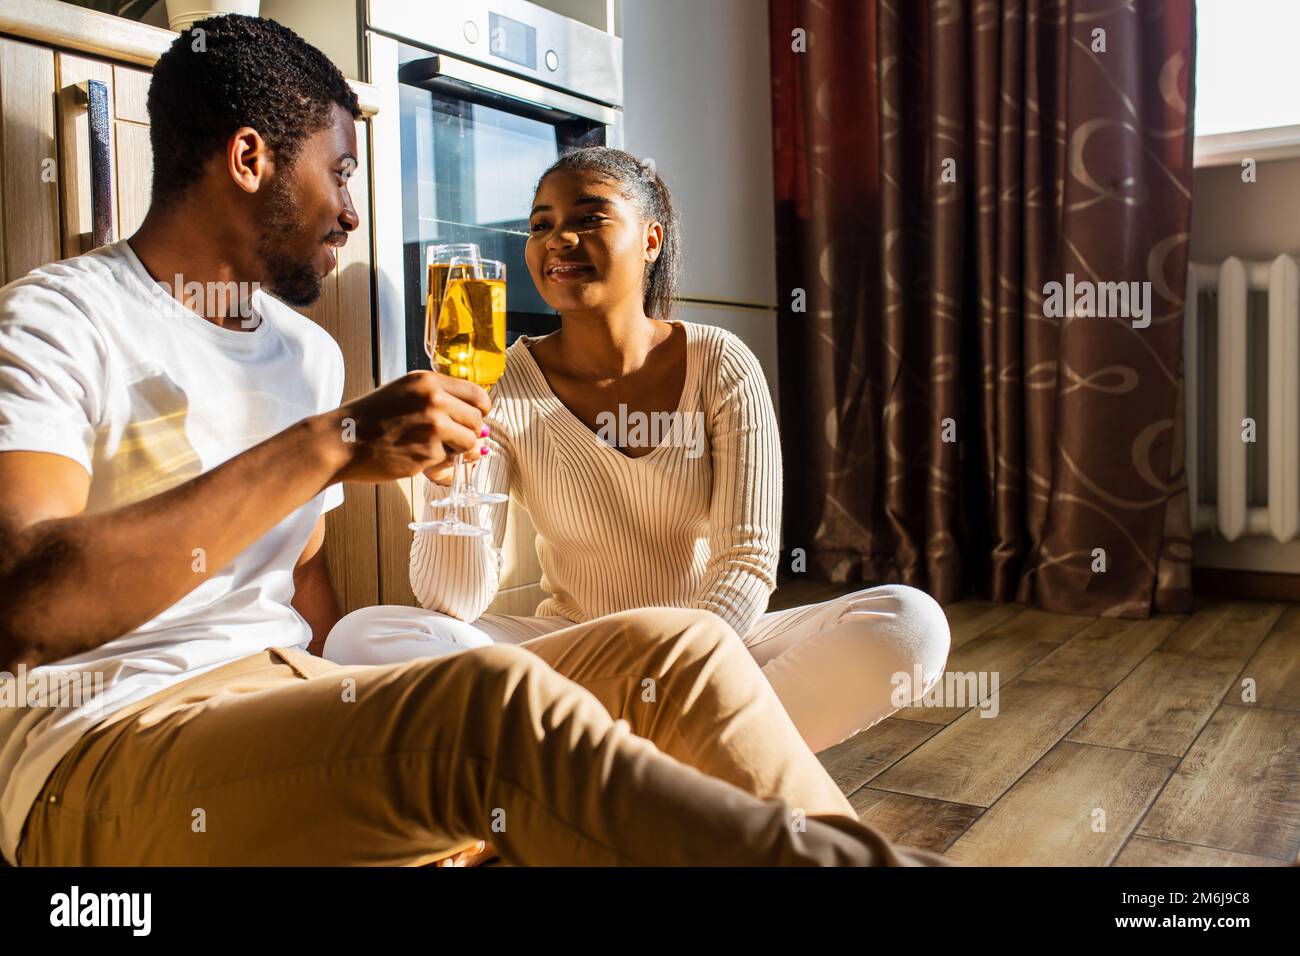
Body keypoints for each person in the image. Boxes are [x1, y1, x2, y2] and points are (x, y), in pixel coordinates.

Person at [0, 14, 948, 867]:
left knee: (684, 651)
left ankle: (603, 797)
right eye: (340, 173)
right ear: (249, 159)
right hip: (106, 739)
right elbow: (23, 604)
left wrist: (365, 742)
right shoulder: (60, 319)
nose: (354, 213)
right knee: (486, 708)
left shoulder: (302, 353)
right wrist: (332, 446)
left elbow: (303, 589)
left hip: (287, 691)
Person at [325, 148, 952, 755]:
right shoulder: (500, 380)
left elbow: (749, 561)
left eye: (588, 218)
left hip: (713, 641)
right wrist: (447, 480)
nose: (558, 240)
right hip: (573, 647)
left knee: (910, 624)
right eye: (541, 225)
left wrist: (667, 667)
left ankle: (599, 766)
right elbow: (455, 604)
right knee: (363, 639)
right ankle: (687, 766)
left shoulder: (720, 363)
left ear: (650, 241)